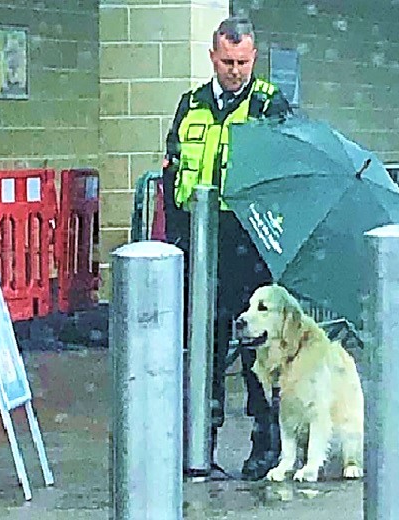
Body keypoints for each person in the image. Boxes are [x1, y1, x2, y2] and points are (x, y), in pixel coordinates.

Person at [161, 16, 292, 480]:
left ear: (253, 58)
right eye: (226, 61)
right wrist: (176, 238)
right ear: (212, 58)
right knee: (205, 349)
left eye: (242, 62)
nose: (234, 70)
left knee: (258, 351)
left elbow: (283, 176)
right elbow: (172, 173)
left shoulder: (270, 105)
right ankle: (201, 445)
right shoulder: (191, 105)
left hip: (249, 246)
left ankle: (265, 445)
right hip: (200, 246)